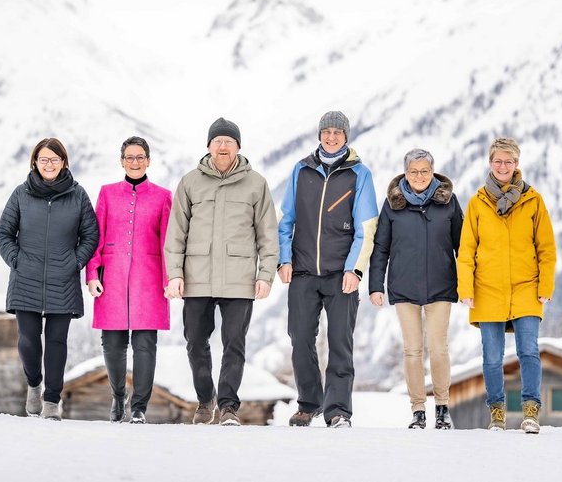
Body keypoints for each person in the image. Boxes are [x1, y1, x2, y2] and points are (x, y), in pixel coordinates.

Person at [164, 117, 278, 426]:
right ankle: (205, 398)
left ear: (239, 146)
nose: (223, 146)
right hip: (197, 276)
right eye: (218, 141)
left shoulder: (256, 183)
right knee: (195, 341)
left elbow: (268, 233)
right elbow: (176, 233)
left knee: (234, 343)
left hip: (239, 278)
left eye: (229, 141)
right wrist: (175, 273)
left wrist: (265, 274)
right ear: (209, 146)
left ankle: (229, 406)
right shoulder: (190, 182)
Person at [278, 111, 378, 428]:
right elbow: (286, 221)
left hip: (341, 275)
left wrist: (355, 270)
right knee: (300, 338)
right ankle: (309, 404)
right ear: (319, 135)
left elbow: (367, 228)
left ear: (346, 137)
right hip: (304, 271)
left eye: (338, 132)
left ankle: (337, 410)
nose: (332, 137)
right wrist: (284, 259)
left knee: (340, 343)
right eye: (327, 131)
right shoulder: (302, 169)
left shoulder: (359, 174)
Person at [457, 137, 556, 434]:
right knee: (491, 357)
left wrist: (545, 287)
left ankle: (530, 411)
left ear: (517, 164)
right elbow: (466, 251)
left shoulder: (533, 200)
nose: (503, 166)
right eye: (498, 161)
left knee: (528, 350)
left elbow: (546, 248)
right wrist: (466, 289)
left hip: (526, 287)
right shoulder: (477, 202)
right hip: (487, 289)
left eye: (508, 161)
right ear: (490, 163)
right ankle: (497, 413)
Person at [0, 137, 99, 421]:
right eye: (44, 159)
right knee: (28, 341)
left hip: (62, 280)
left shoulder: (78, 196)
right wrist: (17, 261)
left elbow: (90, 235)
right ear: (35, 162)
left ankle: (52, 400)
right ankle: (34, 384)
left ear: (64, 162)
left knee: (56, 343)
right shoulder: (21, 194)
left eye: (55, 159)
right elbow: (4, 234)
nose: (49, 164)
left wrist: (75, 262)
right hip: (25, 279)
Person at [368, 148, 463, 430]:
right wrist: (376, 285)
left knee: (438, 348)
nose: (419, 176)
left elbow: (464, 246)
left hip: (441, 285)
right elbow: (381, 247)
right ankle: (418, 410)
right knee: (412, 350)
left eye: (424, 171)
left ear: (432, 172)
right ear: (405, 173)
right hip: (404, 286)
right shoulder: (392, 204)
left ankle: (443, 408)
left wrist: (470, 283)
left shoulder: (449, 202)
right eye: (413, 171)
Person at [86, 137, 172, 424]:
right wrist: (91, 274)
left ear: (148, 160)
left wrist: (170, 279)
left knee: (145, 344)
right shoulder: (107, 194)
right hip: (111, 277)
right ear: (121, 161)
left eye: (140, 157)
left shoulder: (162, 196)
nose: (135, 162)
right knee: (112, 343)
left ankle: (139, 407)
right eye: (129, 157)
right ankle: (118, 395)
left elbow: (168, 243)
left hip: (149, 280)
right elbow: (95, 237)